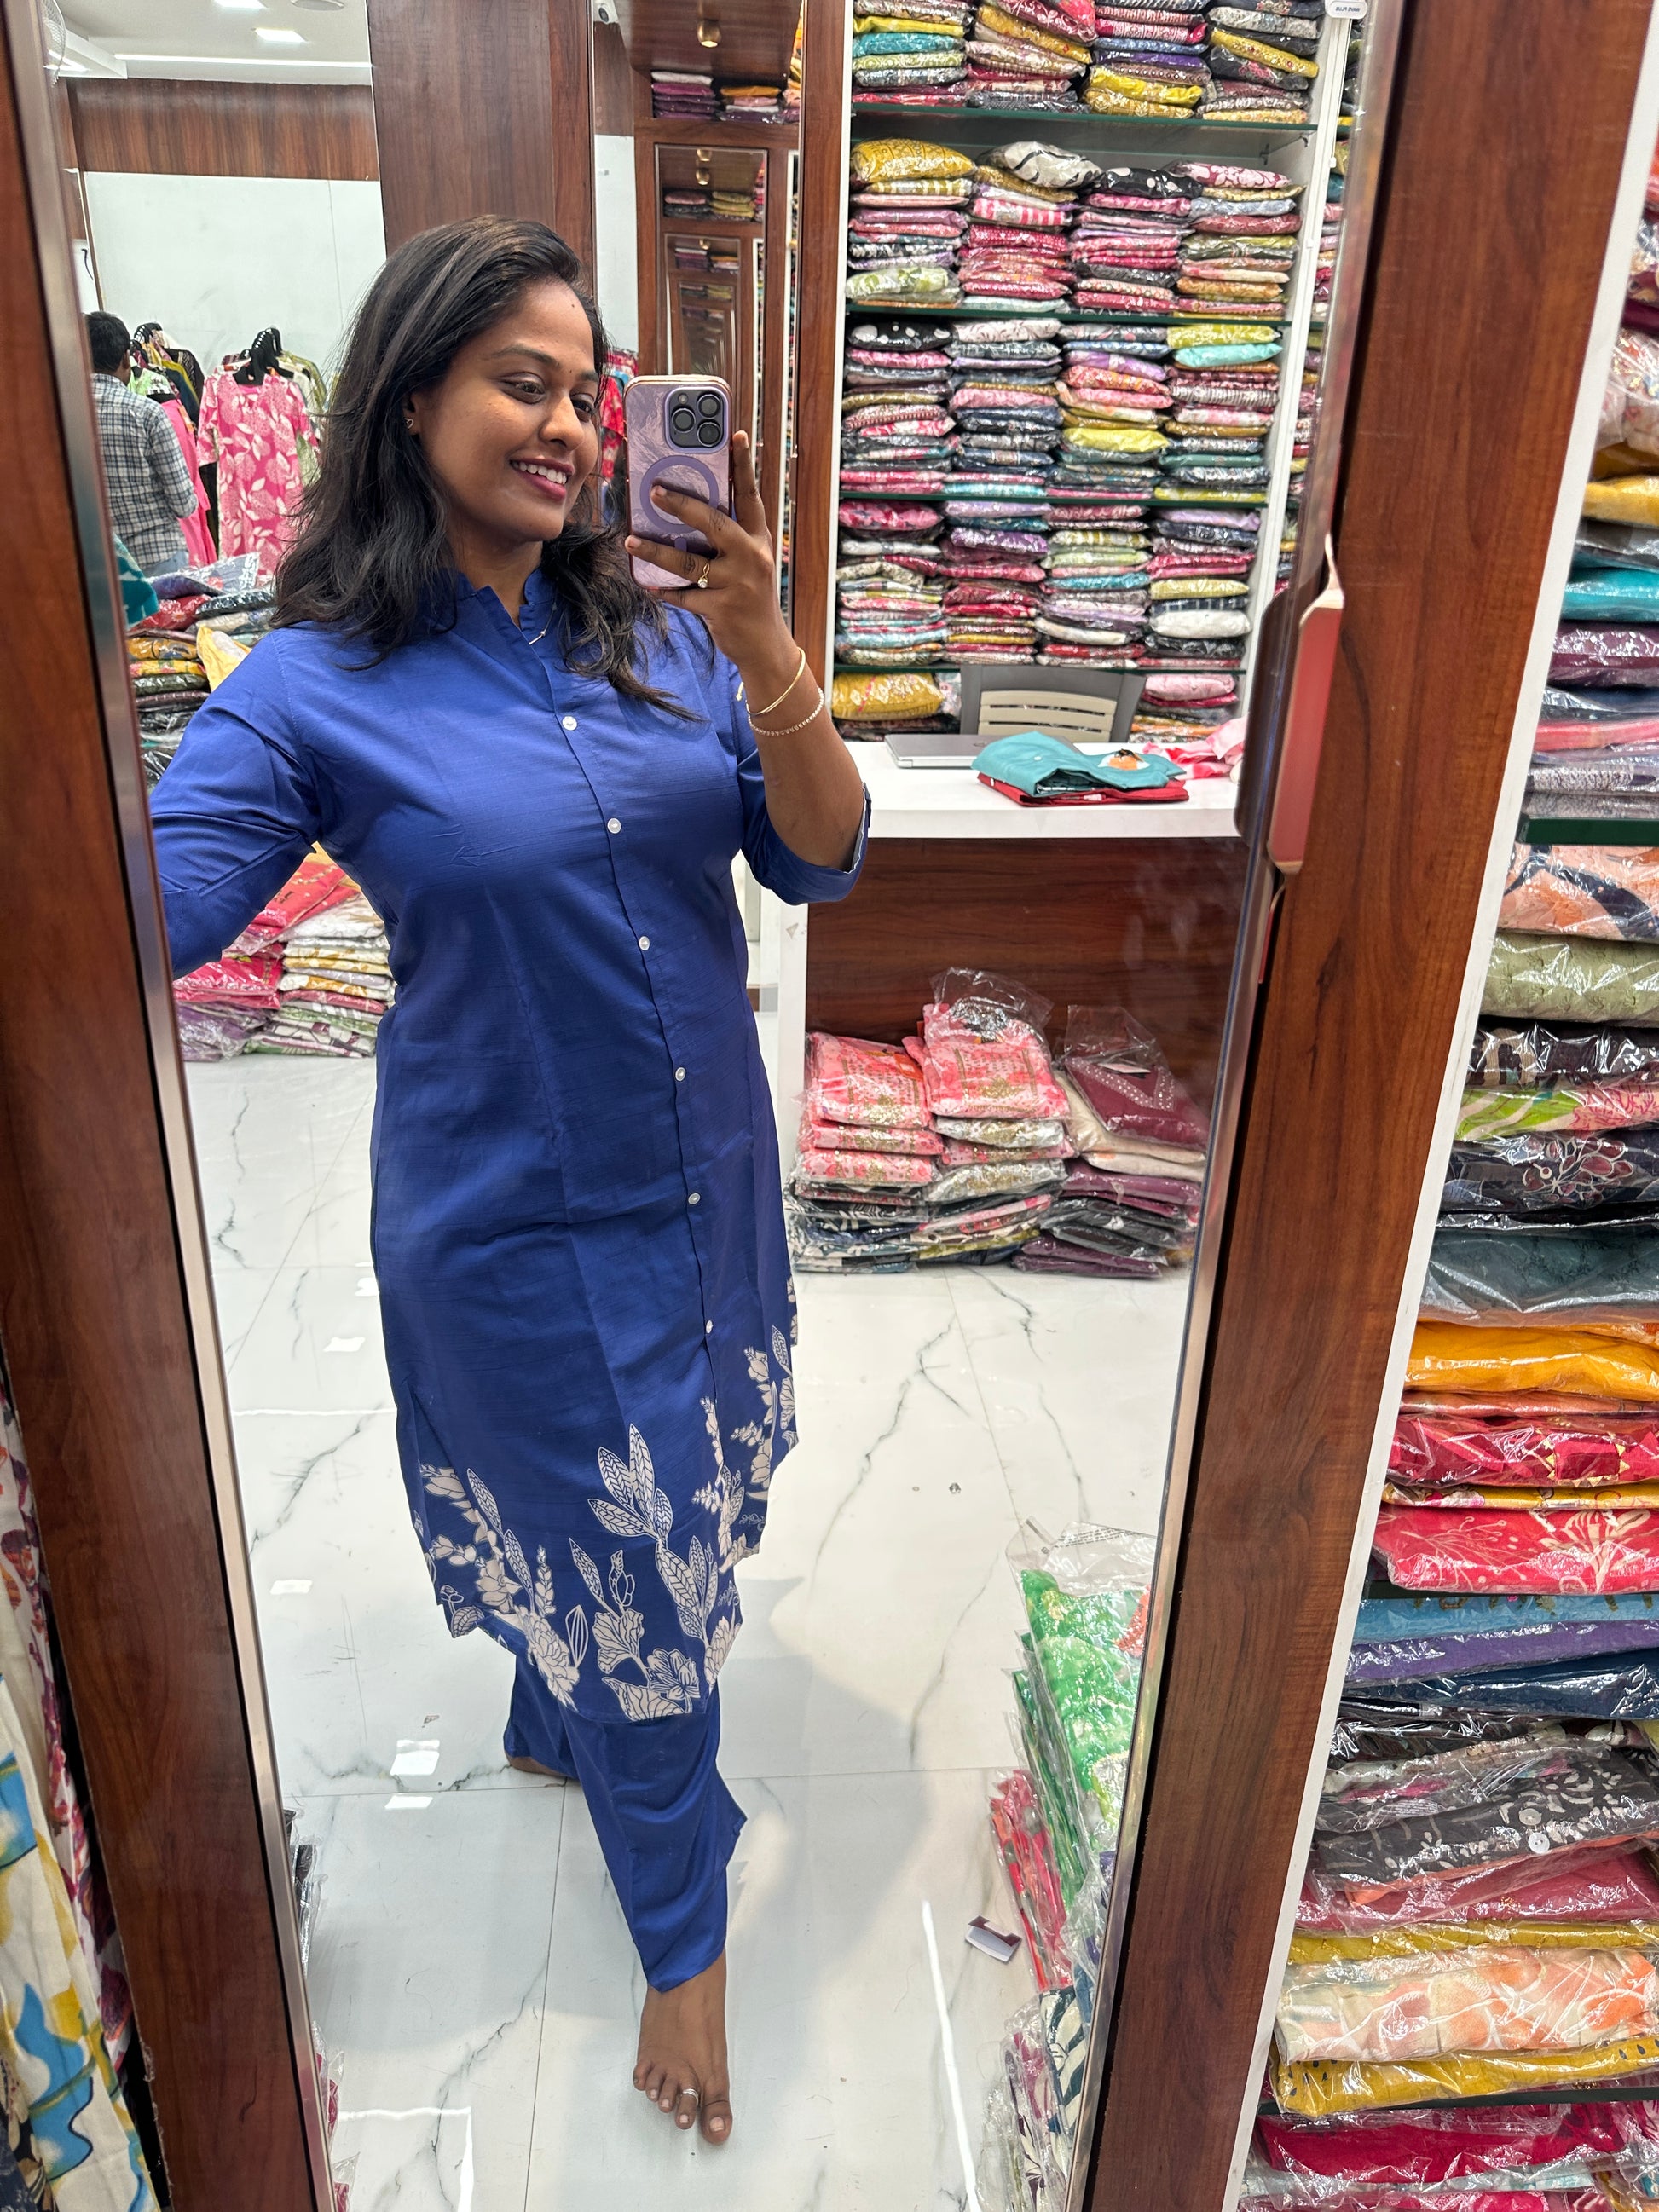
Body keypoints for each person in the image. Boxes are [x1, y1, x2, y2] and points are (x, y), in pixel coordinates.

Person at [146, 217, 866, 2147]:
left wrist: (769, 646)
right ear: (411, 401)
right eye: (519, 383)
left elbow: (821, 857)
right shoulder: (309, 687)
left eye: (586, 392)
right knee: (648, 1583)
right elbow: (155, 902)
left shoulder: (662, 631)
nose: (566, 424)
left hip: (708, 1191)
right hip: (517, 1231)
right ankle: (684, 1950)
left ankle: (560, 1713)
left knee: (665, 1527)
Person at [85, 312, 197, 578]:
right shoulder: (149, 414)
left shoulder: (60, 418)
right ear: (126, 358)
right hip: (159, 558)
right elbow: (183, 503)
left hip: (99, 567)